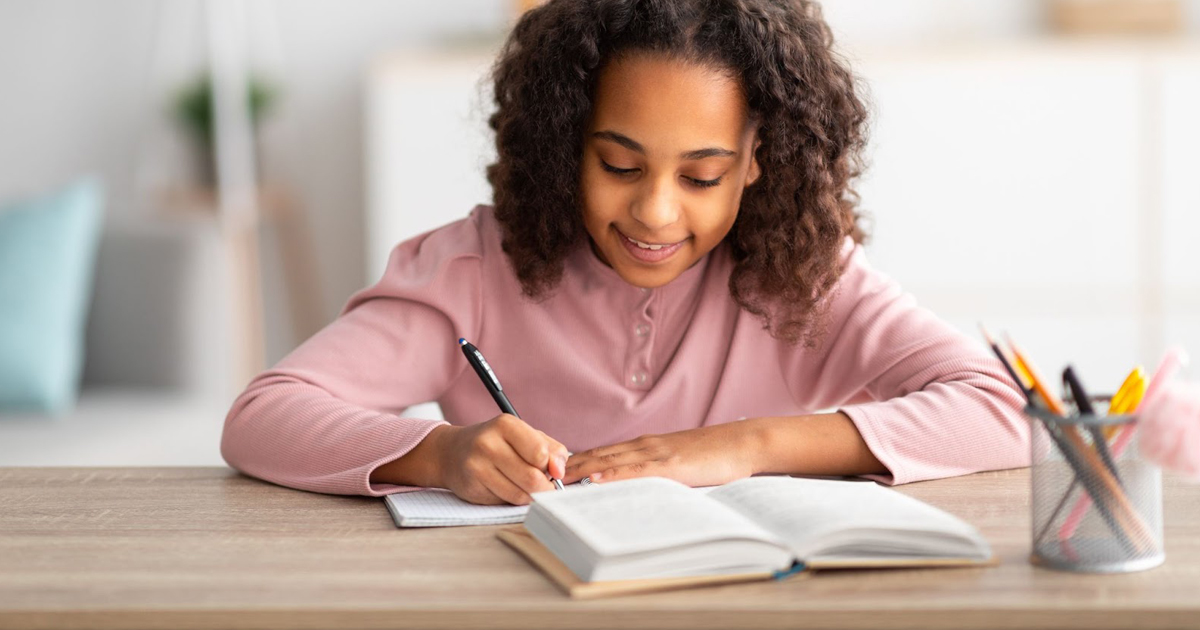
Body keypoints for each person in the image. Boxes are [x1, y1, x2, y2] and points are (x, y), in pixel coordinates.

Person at [221, 0, 1029, 504]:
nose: (655, 210)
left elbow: (1009, 410)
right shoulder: (471, 271)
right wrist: (440, 454)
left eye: (703, 175)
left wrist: (742, 445)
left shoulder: (801, 280)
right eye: (619, 165)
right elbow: (263, 417)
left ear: (757, 160)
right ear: (566, 142)